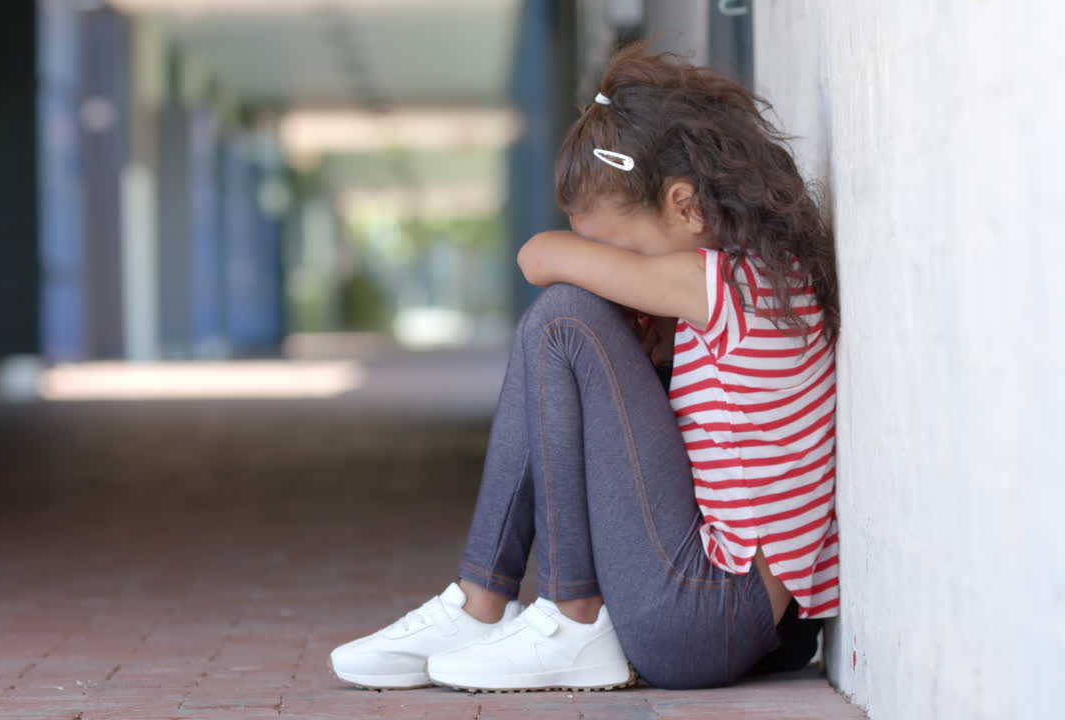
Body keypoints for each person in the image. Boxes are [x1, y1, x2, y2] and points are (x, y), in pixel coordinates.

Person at [329, 44, 839, 692]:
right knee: (574, 332)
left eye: (616, 248)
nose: (616, 269)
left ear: (685, 206)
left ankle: (553, 614)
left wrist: (592, 274)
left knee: (563, 319)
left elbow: (539, 257)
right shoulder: (760, 277)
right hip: (749, 621)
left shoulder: (714, 281)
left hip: (705, 620)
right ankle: (483, 606)